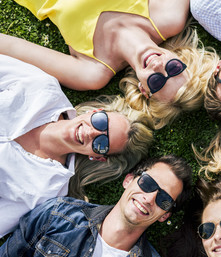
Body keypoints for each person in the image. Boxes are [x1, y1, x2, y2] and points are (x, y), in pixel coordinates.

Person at [0, 155, 193, 257]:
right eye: (148, 183)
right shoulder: (60, 215)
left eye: (164, 200)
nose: (149, 198)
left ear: (165, 215)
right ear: (128, 180)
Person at [0, 54, 154, 238]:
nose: (92, 133)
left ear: (97, 156)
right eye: (100, 122)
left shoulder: (47, 189)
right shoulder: (42, 87)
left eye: (102, 143)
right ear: (95, 112)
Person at [1, 0, 219, 129]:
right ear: (181, 59)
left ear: (144, 89)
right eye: (173, 69)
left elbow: (11, 48)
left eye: (156, 81)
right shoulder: (168, 17)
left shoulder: (92, 72)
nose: (159, 67)